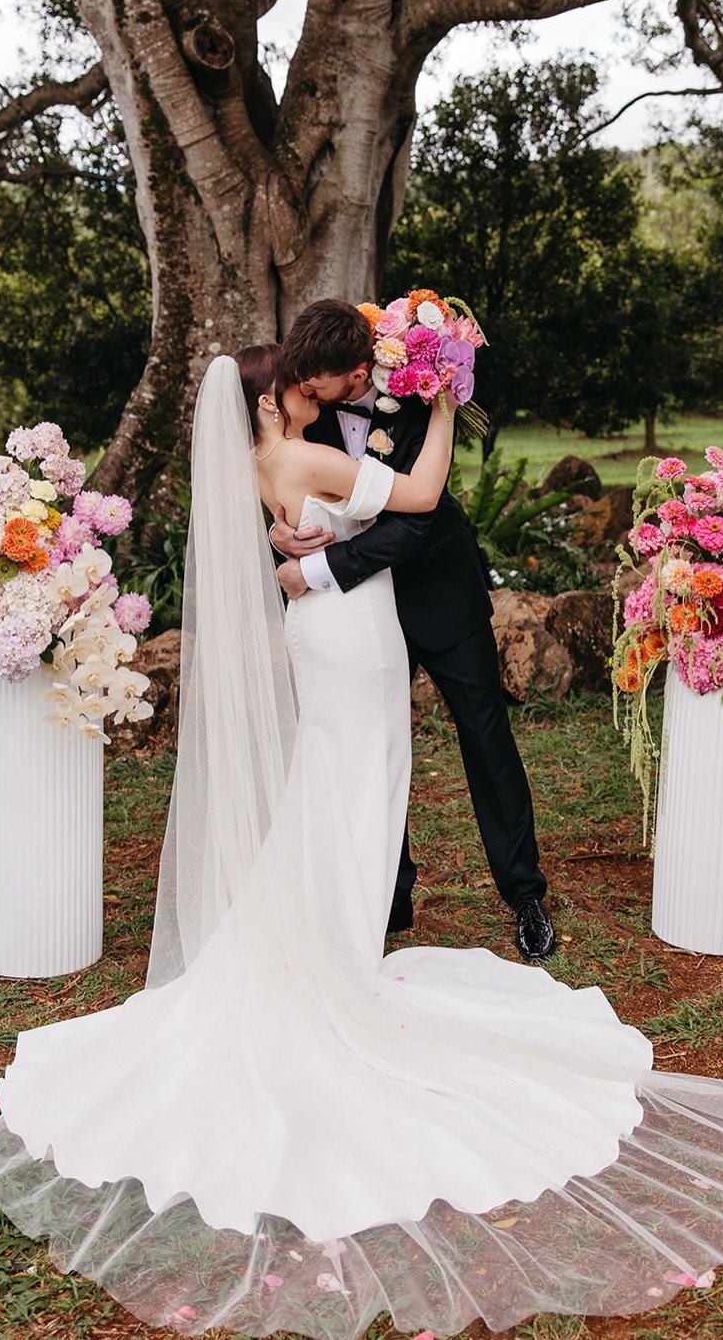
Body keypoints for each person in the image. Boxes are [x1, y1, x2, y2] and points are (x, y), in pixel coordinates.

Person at [0, 345, 723, 1340]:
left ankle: (355, 937)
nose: (336, 387)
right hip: (350, 638)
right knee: (352, 789)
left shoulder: (269, 461)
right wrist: (441, 406)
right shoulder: (307, 452)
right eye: (316, 379)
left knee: (336, 792)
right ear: (278, 393)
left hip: (349, 622)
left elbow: (326, 535)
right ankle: (337, 961)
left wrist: (309, 552)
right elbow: (419, 493)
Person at [271, 299, 555, 962]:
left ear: (362, 367)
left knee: (485, 737)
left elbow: (417, 519)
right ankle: (386, 897)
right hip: (355, 620)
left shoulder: (423, 395)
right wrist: (279, 533)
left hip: (438, 594)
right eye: (305, 379)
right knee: (368, 743)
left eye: (325, 379)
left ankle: (524, 894)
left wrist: (320, 569)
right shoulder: (302, 407)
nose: (308, 390)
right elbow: (288, 489)